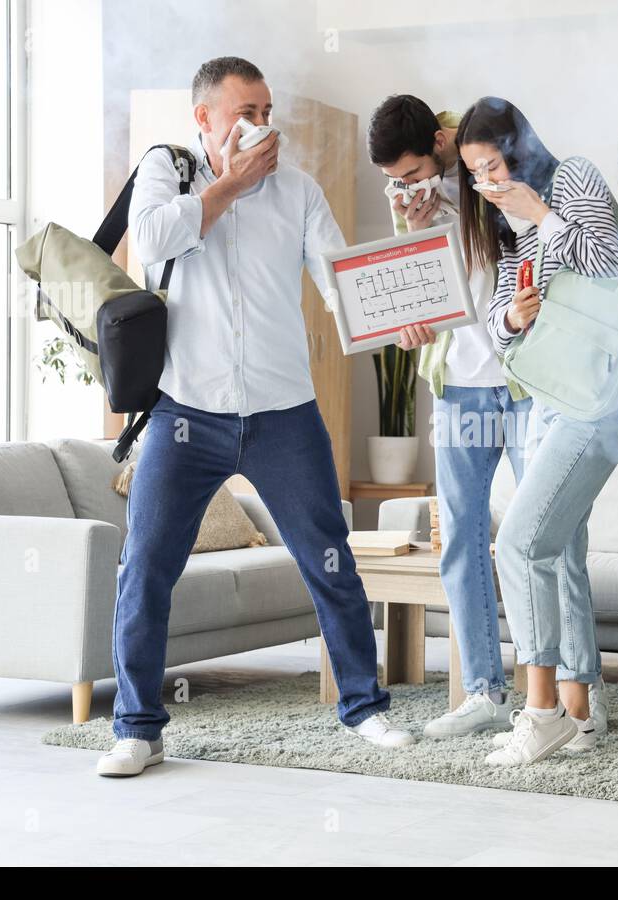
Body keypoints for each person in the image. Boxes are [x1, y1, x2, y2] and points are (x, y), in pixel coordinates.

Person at [97, 56, 414, 777]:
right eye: (247, 112)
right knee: (145, 566)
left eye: (267, 112)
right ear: (205, 119)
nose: (262, 125)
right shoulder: (166, 175)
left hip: (283, 413)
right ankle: (138, 728)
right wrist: (232, 187)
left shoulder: (297, 191)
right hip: (187, 414)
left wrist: (391, 315)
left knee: (330, 560)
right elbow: (148, 244)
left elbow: (336, 278)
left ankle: (365, 708)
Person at [455, 97, 618, 766]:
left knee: (523, 544)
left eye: (492, 165)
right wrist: (512, 316)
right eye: (475, 173)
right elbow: (505, 337)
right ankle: (579, 716)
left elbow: (610, 266)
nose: (487, 183)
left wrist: (538, 213)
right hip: (545, 397)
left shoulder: (573, 181)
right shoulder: (505, 220)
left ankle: (541, 715)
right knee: (556, 552)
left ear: (519, 149)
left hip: (597, 397)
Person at [366, 95, 532, 737]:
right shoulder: (413, 205)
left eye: (410, 174)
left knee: (538, 536)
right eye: (393, 182)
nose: (404, 188)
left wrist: (462, 195)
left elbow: (527, 243)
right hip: (459, 385)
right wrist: (411, 227)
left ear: (440, 144)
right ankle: (485, 692)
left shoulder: (495, 168)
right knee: (460, 536)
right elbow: (424, 297)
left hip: (520, 384)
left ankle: (571, 686)